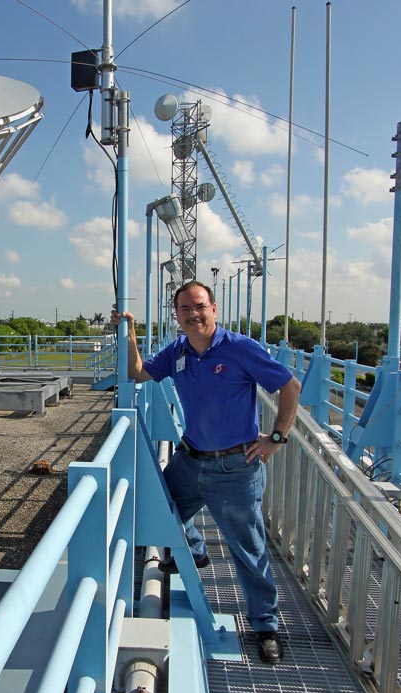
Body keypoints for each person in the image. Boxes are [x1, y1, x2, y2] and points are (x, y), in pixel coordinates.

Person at [111, 281, 301, 665]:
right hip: (190, 459)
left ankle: (266, 626)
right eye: (184, 309)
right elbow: (136, 373)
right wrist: (129, 329)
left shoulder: (239, 348)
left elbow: (289, 385)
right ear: (177, 316)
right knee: (157, 510)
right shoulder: (177, 352)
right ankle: (196, 551)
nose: (193, 314)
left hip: (235, 468)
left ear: (214, 309)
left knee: (249, 551)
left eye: (199, 306)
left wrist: (278, 438)